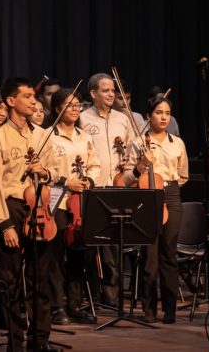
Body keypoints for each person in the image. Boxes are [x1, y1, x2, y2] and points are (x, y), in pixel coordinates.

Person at [0, 77, 54, 351]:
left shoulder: (41, 135)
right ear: (11, 102)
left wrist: (44, 172)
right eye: (26, 96)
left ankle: (40, 341)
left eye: (33, 97)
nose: (33, 101)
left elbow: (53, 175)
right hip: (12, 209)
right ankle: (16, 341)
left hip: (39, 206)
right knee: (11, 282)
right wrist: (5, 225)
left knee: (41, 279)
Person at [125, 93, 188, 324]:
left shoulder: (177, 142)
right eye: (159, 113)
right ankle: (148, 308)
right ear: (149, 116)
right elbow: (127, 178)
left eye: (167, 113)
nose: (164, 117)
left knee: (169, 255)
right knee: (149, 256)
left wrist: (167, 187)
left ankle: (170, 308)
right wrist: (141, 166)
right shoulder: (138, 142)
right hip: (147, 195)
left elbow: (183, 176)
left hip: (170, 194)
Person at [79, 72, 137, 306]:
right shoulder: (83, 119)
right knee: (92, 244)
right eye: (106, 90)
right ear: (93, 93)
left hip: (117, 186)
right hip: (92, 187)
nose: (112, 94)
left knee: (113, 244)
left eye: (113, 90)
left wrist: (129, 164)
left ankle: (111, 295)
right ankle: (91, 294)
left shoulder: (123, 119)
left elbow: (133, 150)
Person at [43, 88, 100, 325]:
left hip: (80, 202)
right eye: (70, 105)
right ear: (58, 109)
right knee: (55, 256)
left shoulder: (84, 137)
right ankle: (56, 306)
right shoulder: (46, 136)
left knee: (78, 253)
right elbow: (43, 170)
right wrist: (67, 181)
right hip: (57, 201)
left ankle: (74, 304)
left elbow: (95, 165)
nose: (76, 109)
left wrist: (88, 180)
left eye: (78, 105)